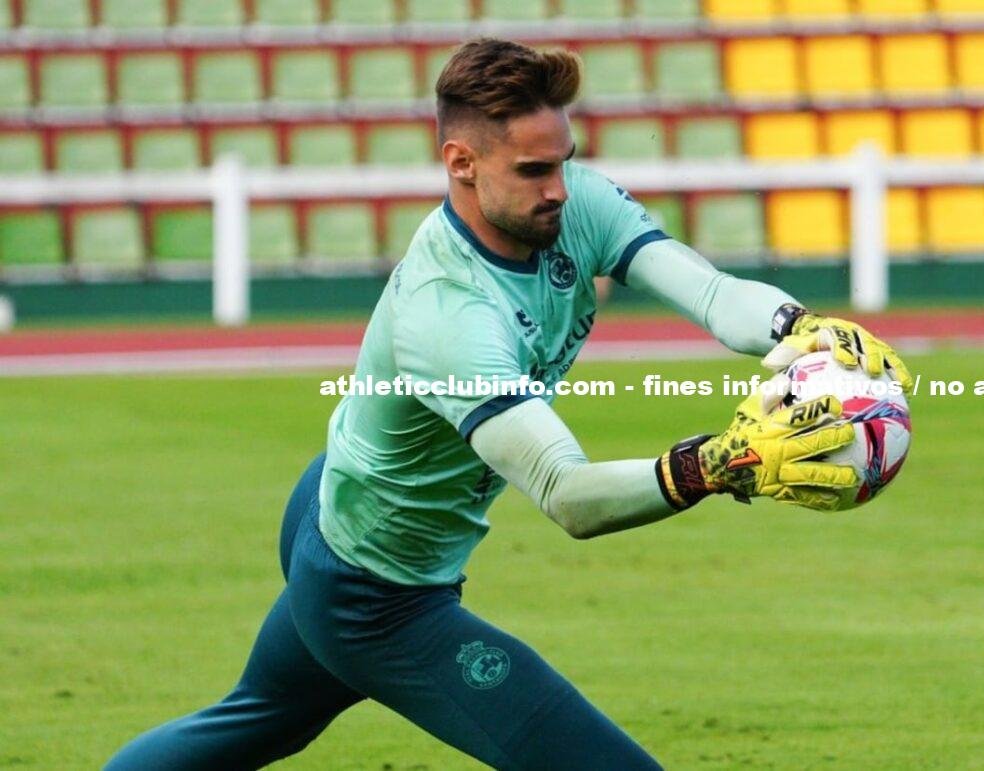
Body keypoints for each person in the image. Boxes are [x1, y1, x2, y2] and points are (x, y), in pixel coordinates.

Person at [106, 38, 913, 770]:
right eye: (533, 171)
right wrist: (715, 465)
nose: (559, 188)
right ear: (461, 163)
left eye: (563, 160)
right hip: (376, 593)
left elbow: (708, 291)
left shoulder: (570, 203)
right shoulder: (448, 314)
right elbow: (568, 496)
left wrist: (796, 327)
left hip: (330, 512)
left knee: (256, 721)